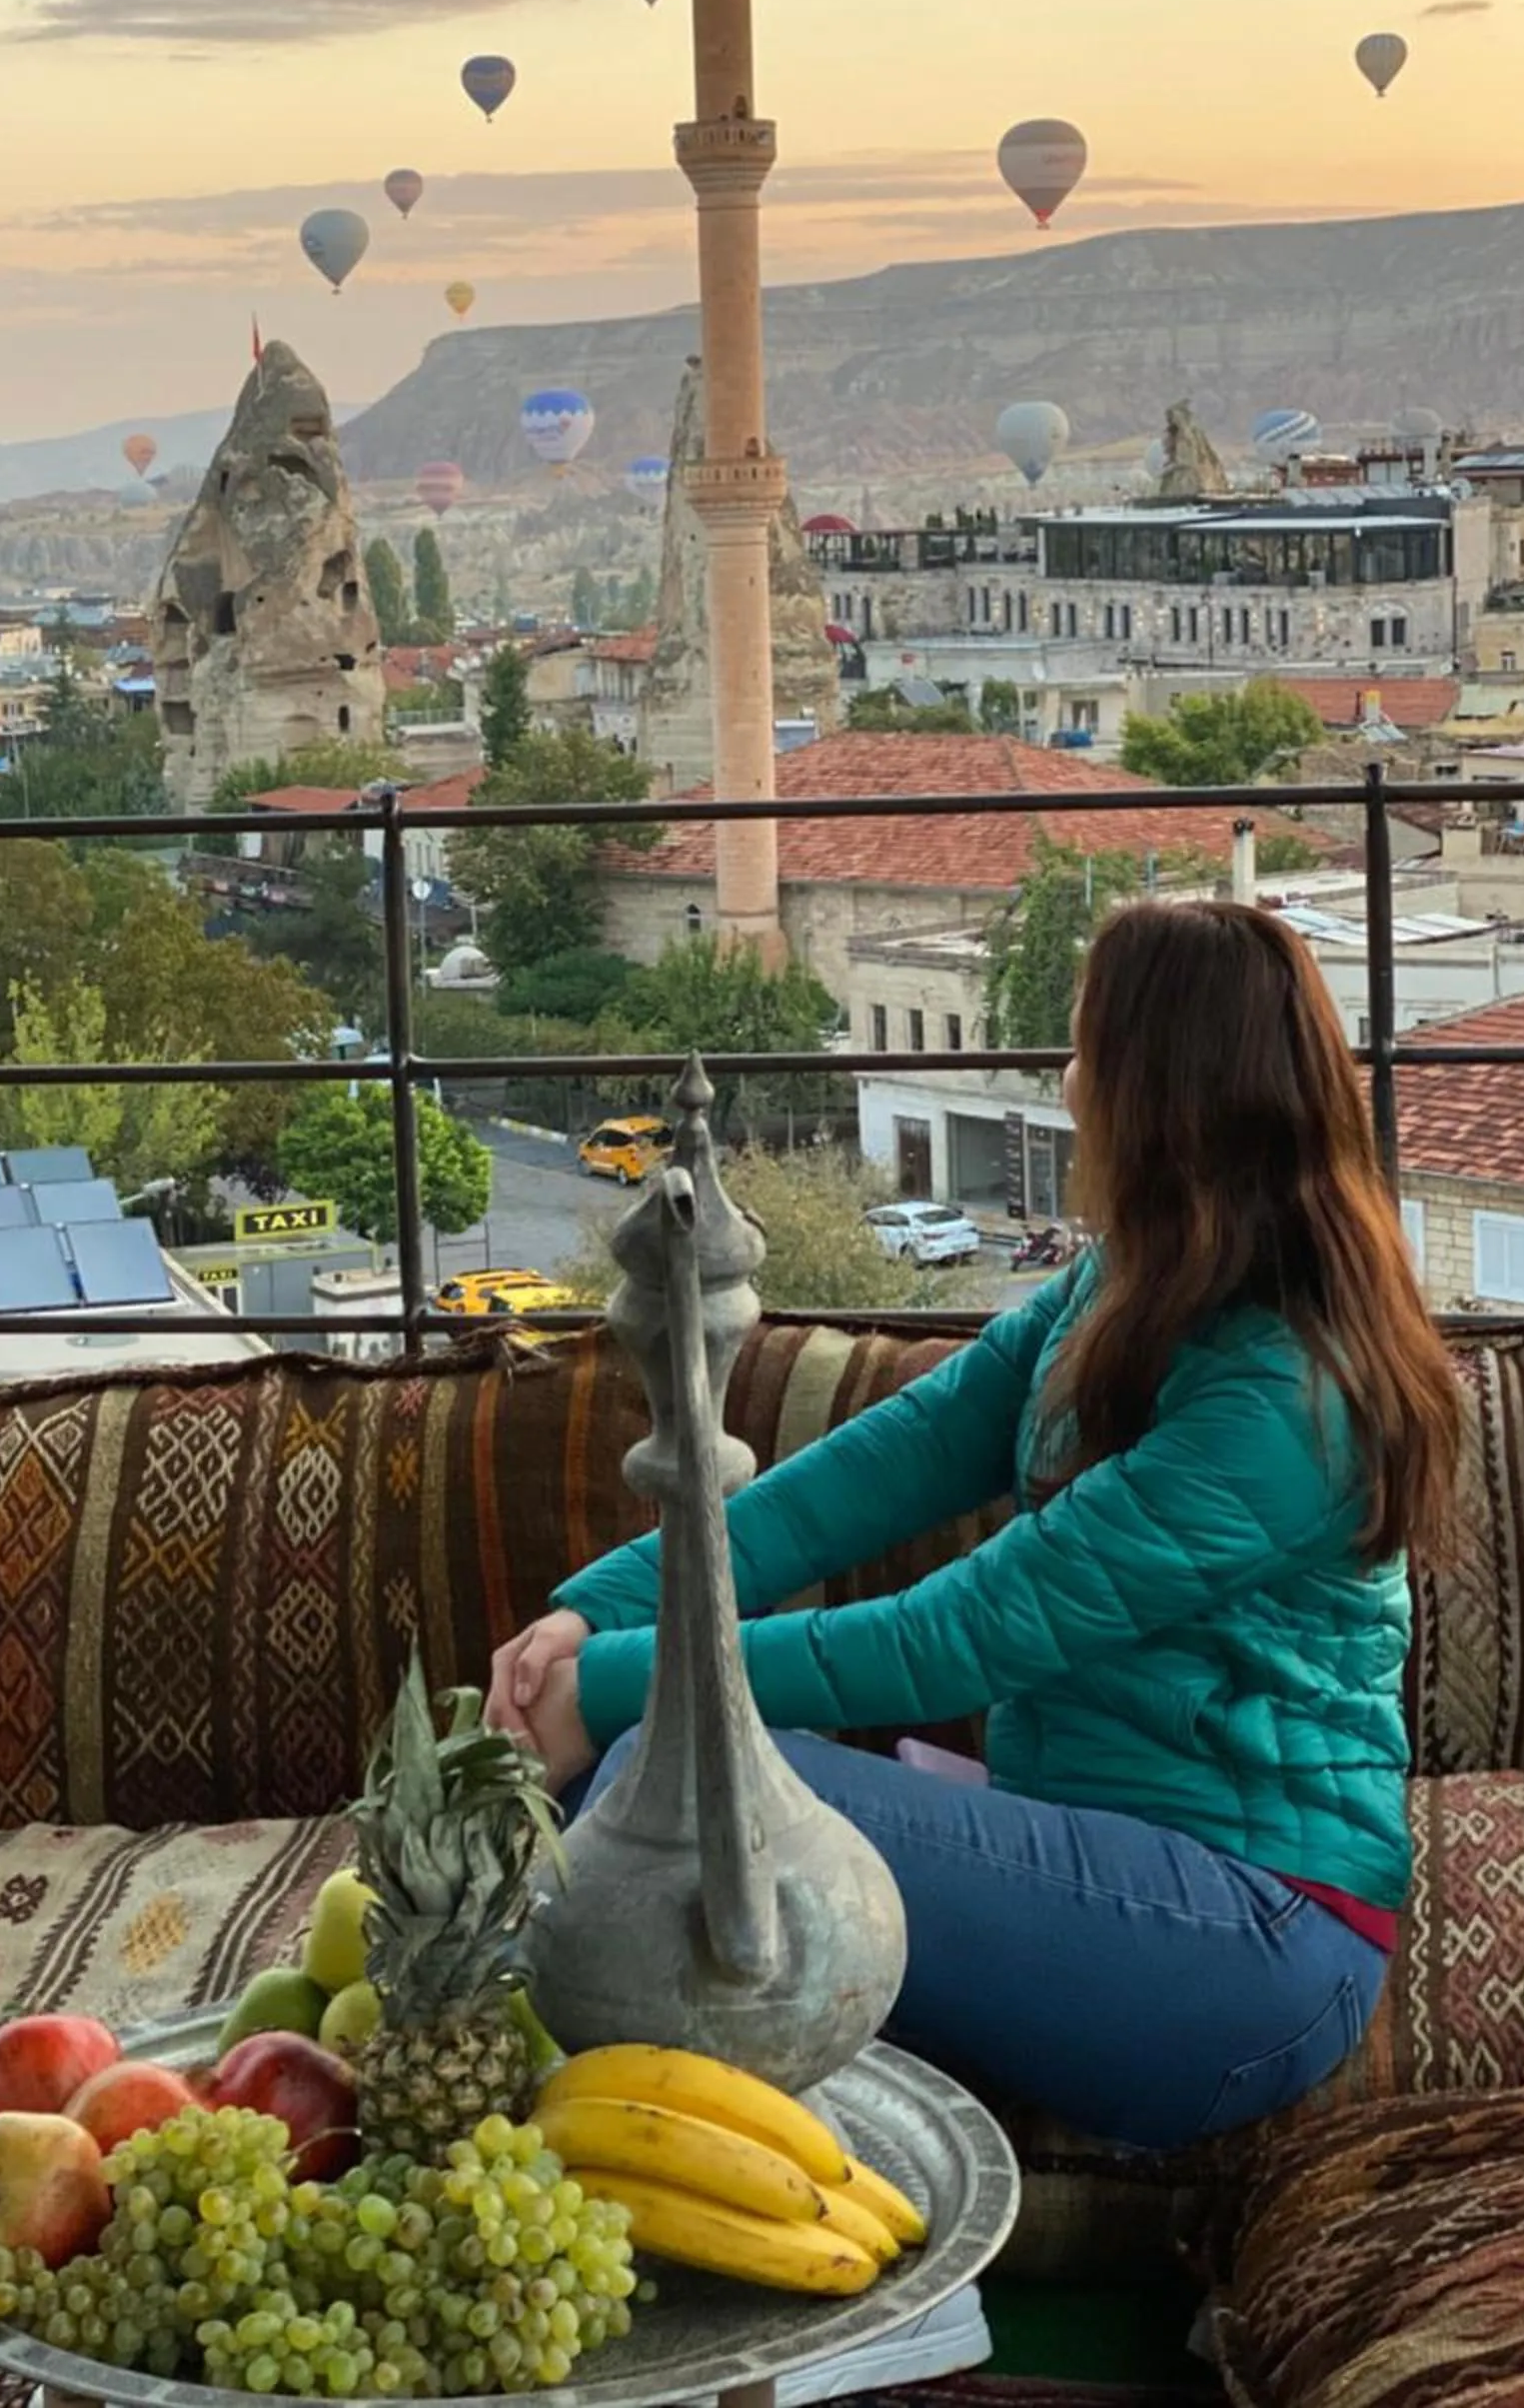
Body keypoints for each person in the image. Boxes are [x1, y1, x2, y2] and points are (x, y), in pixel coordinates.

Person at [490, 900, 1462, 2158]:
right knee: (681, 1808)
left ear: (1156, 1093)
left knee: (674, 1795)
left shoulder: (1286, 1394)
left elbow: (967, 1634)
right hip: (1098, 1850)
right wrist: (604, 1604)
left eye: (1082, 1049)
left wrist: (623, 1689)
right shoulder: (1131, 1282)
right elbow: (879, 1466)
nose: (1063, 1080)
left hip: (1253, 1941)